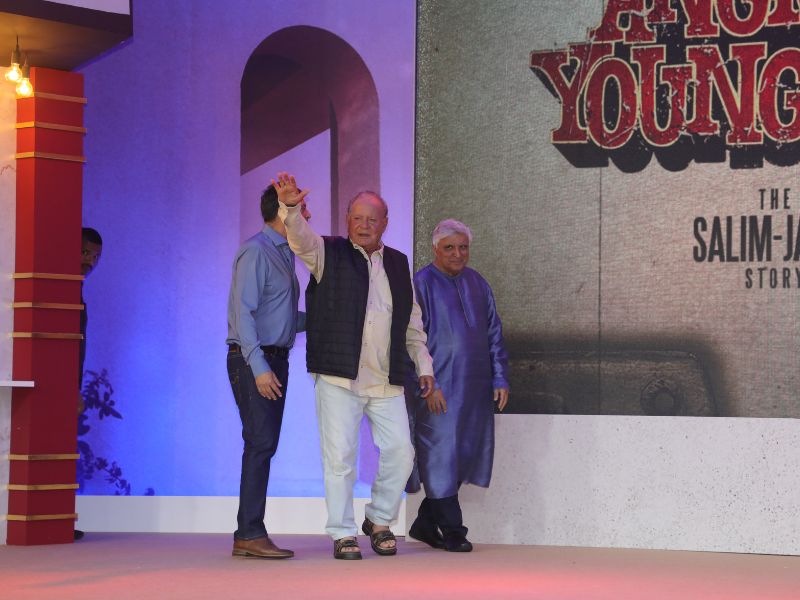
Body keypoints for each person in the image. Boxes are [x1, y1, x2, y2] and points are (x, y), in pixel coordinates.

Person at [274, 172, 436, 560]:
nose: (364, 225)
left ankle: (379, 519)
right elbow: (300, 239)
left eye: (372, 219)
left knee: (402, 452)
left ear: (385, 223)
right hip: (338, 377)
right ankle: (342, 531)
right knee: (340, 459)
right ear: (347, 220)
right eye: (357, 218)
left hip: (385, 378)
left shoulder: (398, 262)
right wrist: (291, 209)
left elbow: (411, 322)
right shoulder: (326, 252)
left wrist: (424, 365)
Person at [405, 219, 509, 552]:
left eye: (463, 247)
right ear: (435, 249)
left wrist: (500, 377)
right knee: (439, 456)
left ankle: (425, 523)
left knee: (463, 456)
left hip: (475, 391)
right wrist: (428, 387)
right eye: (449, 247)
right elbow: (411, 341)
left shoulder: (478, 283)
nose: (457, 254)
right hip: (437, 392)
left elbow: (494, 333)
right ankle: (453, 530)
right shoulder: (420, 284)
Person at [226, 184, 310, 559]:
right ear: (282, 211)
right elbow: (242, 314)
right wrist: (259, 367)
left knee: (264, 443)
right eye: (301, 208)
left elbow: (281, 315)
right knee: (260, 443)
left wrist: (328, 320)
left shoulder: (285, 253)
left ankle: (249, 532)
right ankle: (248, 533)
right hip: (254, 360)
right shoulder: (256, 250)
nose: (307, 216)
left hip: (275, 358)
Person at [76, 226, 103, 541]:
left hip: (69, 384)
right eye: (84, 252)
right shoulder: (62, 291)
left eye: (95, 256)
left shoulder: (77, 292)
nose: (90, 262)